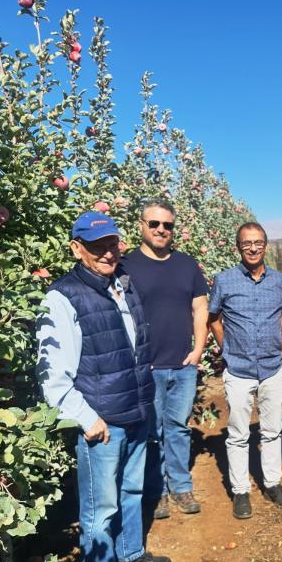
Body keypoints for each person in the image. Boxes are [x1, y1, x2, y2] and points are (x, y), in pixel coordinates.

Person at [36, 211, 172, 562]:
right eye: (96, 246)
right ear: (77, 249)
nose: (107, 252)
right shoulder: (62, 298)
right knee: (100, 507)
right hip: (103, 421)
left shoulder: (123, 286)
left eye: (111, 244)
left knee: (132, 492)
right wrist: (87, 418)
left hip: (135, 411)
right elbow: (52, 376)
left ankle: (130, 552)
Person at [120, 198, 209, 519]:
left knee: (178, 427)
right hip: (146, 366)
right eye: (154, 224)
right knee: (151, 430)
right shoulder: (126, 266)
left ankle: (181, 487)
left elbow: (201, 308)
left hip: (183, 365)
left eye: (167, 225)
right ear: (141, 225)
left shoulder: (186, 265)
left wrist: (198, 350)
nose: (161, 230)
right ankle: (155, 490)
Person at [208, 222, 282, 519]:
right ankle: (241, 489)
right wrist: (227, 347)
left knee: (272, 430)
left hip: (271, 366)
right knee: (238, 434)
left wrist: (274, 333)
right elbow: (214, 318)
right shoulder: (225, 280)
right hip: (239, 369)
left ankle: (272, 483)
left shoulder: (279, 281)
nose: (253, 248)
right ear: (238, 247)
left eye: (258, 242)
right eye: (247, 243)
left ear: (266, 245)